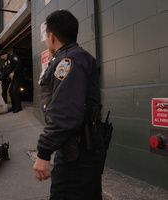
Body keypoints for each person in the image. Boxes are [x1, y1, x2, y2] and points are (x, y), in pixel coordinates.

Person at [33, 10, 106, 199]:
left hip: (76, 156)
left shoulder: (69, 60)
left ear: (52, 37)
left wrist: (43, 151)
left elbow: (65, 112)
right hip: (82, 151)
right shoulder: (78, 57)